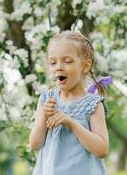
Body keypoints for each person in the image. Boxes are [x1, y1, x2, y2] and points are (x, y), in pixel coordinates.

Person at [29, 31, 111, 175]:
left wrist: (72, 124)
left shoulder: (93, 104)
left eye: (67, 61)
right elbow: (35, 144)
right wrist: (44, 116)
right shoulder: (46, 100)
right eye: (53, 62)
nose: (58, 67)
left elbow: (102, 150)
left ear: (85, 66)